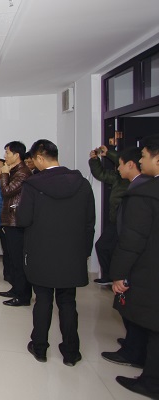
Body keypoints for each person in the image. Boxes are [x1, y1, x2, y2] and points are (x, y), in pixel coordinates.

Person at [17, 139, 95, 367]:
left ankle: (40, 347)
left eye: (34, 160)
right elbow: (89, 222)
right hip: (72, 255)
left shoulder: (33, 185)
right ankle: (71, 352)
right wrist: (84, 253)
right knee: (68, 302)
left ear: (40, 157)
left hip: (41, 253)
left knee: (43, 300)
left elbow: (23, 219)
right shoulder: (82, 183)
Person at [111, 136, 159, 399]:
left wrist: (119, 273)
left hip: (147, 270)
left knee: (151, 323)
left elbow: (132, 239)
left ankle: (150, 381)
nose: (141, 161)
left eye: (144, 156)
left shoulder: (145, 194)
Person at [101, 147, 151, 370]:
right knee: (131, 306)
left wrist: (119, 271)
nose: (118, 168)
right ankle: (134, 344)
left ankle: (134, 351)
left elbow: (133, 234)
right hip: (134, 255)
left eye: (120, 164)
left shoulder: (142, 190)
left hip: (137, 259)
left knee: (134, 305)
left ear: (130, 164)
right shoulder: (136, 186)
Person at [0, 141, 32, 307]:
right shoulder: (15, 170)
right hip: (11, 220)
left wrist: (4, 174)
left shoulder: (23, 173)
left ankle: (23, 296)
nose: (5, 156)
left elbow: (6, 191)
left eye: (7, 153)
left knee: (19, 260)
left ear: (17, 155)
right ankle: (16, 289)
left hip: (17, 222)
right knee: (13, 258)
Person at [89, 145, 129, 285]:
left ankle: (121, 278)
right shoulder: (118, 177)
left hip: (127, 222)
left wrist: (109, 153)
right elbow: (100, 174)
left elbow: (126, 160)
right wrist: (95, 160)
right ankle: (109, 276)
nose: (119, 167)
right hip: (114, 220)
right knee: (102, 246)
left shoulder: (137, 179)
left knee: (121, 251)